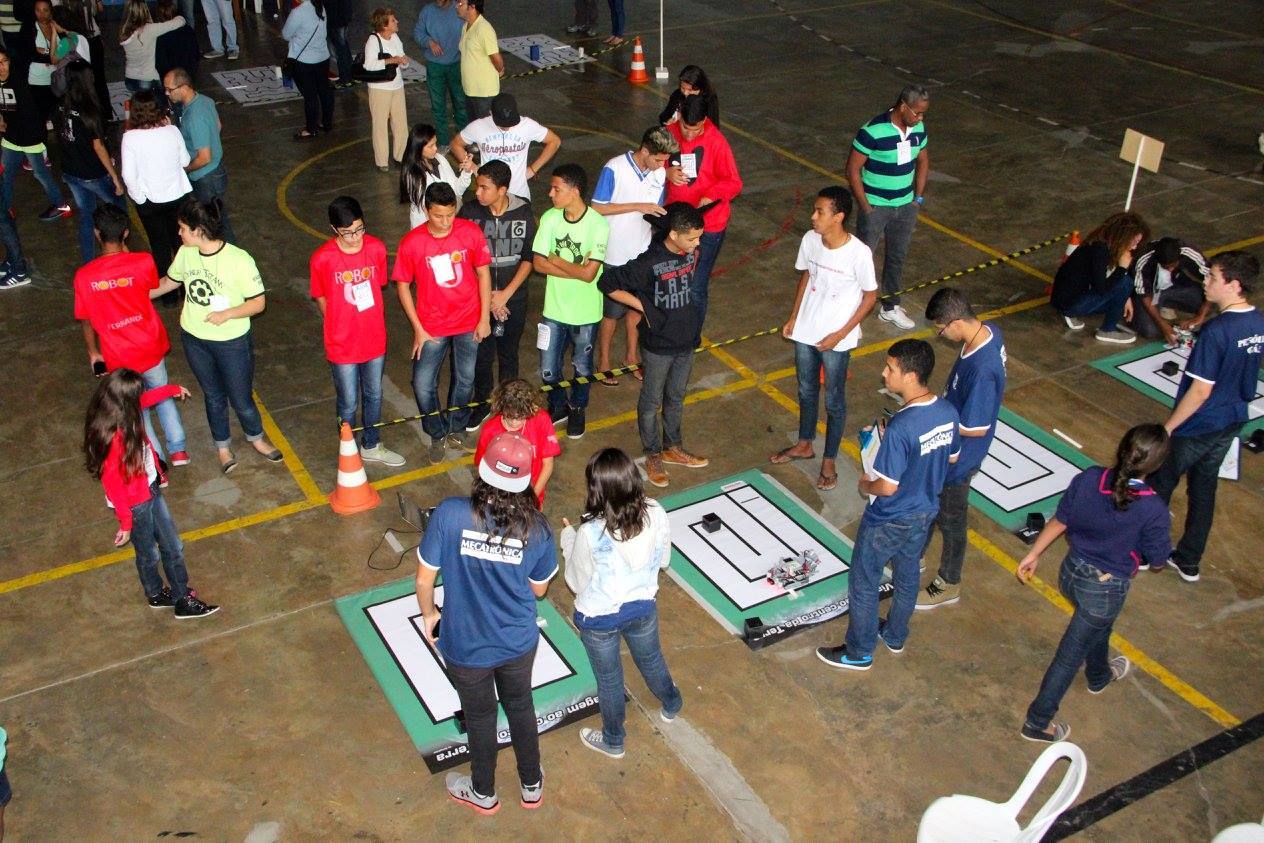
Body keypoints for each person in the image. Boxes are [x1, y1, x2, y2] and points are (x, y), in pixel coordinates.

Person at [414, 431, 556, 815]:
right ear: (526, 479)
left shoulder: (449, 513)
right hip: (517, 641)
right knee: (520, 706)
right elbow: (539, 590)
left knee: (480, 718)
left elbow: (425, 580)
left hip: (465, 645)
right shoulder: (538, 528)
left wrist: (430, 615)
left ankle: (483, 792)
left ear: (482, 470)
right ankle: (531, 784)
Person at [1017, 424, 1172, 742]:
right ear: (1157, 465)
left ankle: (1099, 675)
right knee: (1069, 656)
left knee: (1097, 624)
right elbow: (1158, 561)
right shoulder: (1153, 508)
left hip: (1071, 573)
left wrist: (1034, 553)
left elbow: (1060, 520)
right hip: (1105, 588)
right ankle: (1037, 722)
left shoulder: (1090, 478)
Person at [817, 339, 959, 671]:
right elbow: (950, 458)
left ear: (910, 375)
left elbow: (887, 486)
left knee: (864, 581)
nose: (884, 373)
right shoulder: (947, 412)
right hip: (925, 512)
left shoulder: (902, 427)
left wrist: (865, 484)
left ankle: (859, 652)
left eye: (890, 368)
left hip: (889, 518)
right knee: (907, 573)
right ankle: (895, 634)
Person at [1147, 252, 1264, 582]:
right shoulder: (1258, 323)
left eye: (1212, 277)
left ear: (1233, 285)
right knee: (1203, 489)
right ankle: (1189, 560)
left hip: (1199, 424)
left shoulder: (1217, 331)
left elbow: (1200, 391)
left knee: (1160, 483)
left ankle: (1147, 551)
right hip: (1232, 419)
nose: (1205, 282)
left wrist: (1168, 428)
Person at [563, 447, 683, 759]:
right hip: (642, 607)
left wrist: (568, 541)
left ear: (597, 490)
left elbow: (576, 582)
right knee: (651, 659)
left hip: (599, 620)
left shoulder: (590, 532)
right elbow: (664, 560)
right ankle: (672, 702)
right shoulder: (656, 511)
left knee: (610, 680)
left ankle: (614, 741)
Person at [150, 198, 284, 473]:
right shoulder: (186, 253)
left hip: (231, 343)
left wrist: (227, 314)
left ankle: (256, 438)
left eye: (182, 228)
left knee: (241, 397)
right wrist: (134, 295)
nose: (179, 233)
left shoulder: (239, 259)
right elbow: (170, 282)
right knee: (213, 396)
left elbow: (258, 303)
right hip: (195, 339)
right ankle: (223, 447)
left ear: (198, 229)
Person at [83, 368, 220, 618]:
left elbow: (146, 400)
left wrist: (171, 390)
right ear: (125, 401)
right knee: (160, 550)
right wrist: (126, 523)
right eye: (137, 394)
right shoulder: (113, 437)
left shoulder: (122, 410)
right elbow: (113, 485)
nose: (141, 397)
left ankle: (158, 593)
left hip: (149, 489)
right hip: (136, 503)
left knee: (160, 548)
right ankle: (180, 600)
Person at [768, 186, 877, 492]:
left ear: (838, 217)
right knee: (806, 390)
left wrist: (840, 334)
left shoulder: (858, 254)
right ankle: (805, 444)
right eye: (814, 210)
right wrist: (794, 317)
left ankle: (829, 460)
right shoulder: (810, 240)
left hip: (836, 341)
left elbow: (870, 296)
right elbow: (807, 275)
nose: (813, 216)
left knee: (834, 401)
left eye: (820, 211)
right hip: (806, 332)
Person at [600, 202, 709, 487]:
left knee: (676, 397)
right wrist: (642, 306)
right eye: (692, 238)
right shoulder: (648, 262)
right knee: (651, 402)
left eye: (699, 237)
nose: (697, 244)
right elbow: (607, 282)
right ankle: (653, 453)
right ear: (673, 234)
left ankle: (673, 447)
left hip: (686, 340)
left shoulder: (689, 253)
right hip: (659, 345)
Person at [75, 204, 188, 466]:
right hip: (150, 346)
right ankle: (179, 450)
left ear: (96, 233)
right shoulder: (143, 261)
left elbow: (85, 320)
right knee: (162, 393)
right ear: (126, 233)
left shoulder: (84, 277)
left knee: (136, 410)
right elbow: (146, 288)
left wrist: (94, 353)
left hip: (118, 355)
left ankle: (156, 462)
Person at [916, 287, 1006, 609]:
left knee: (951, 518)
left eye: (940, 329)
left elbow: (977, 427)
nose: (941, 335)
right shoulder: (987, 330)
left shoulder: (982, 370)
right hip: (949, 449)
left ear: (954, 322)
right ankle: (915, 555)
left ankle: (949, 581)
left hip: (960, 458)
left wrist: (935, 419)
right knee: (930, 501)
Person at [392, 181, 492, 463]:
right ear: (426, 211)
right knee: (422, 384)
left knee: (465, 380)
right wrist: (418, 329)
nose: (446, 222)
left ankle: (457, 429)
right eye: (439, 216)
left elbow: (483, 273)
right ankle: (436, 432)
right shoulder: (413, 243)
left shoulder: (470, 232)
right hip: (431, 327)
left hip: (468, 321)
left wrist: (484, 317)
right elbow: (402, 286)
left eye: (450, 214)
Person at [311, 196, 405, 467]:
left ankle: (371, 444)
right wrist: (337, 323)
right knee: (349, 401)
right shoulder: (322, 258)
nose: (355, 237)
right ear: (334, 229)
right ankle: (348, 448)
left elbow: (379, 285)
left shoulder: (375, 248)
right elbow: (320, 296)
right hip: (342, 343)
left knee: (374, 394)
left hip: (373, 337)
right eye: (347, 232)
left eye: (360, 229)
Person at [591, 125, 677, 387]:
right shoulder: (614, 168)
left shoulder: (659, 173)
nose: (662, 166)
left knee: (637, 311)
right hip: (615, 254)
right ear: (645, 150)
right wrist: (637, 206)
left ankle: (630, 357)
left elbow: (655, 210)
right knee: (611, 314)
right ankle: (603, 361)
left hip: (642, 253)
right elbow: (597, 207)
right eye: (659, 159)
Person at [533, 163, 609, 441]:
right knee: (548, 368)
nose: (550, 194)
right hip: (553, 310)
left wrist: (556, 259)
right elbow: (538, 264)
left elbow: (589, 276)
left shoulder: (598, 225)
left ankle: (577, 408)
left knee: (582, 367)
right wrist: (575, 269)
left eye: (556, 189)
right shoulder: (549, 218)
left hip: (586, 313)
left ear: (574, 191)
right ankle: (558, 406)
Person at [459, 159, 535, 427]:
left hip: (514, 299)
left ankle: (508, 406)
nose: (477, 192)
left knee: (509, 353)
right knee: (482, 355)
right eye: (477, 186)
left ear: (502, 190)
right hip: (480, 301)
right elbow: (463, 258)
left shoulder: (523, 212)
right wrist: (490, 297)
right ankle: (482, 403)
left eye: (484, 188)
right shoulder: (469, 213)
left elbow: (529, 258)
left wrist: (505, 295)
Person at [847, 84, 930, 332]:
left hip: (905, 206)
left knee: (897, 257)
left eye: (923, 113)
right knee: (862, 260)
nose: (920, 118)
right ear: (903, 106)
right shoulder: (872, 131)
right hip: (876, 207)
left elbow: (923, 160)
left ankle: (890, 307)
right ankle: (852, 313)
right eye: (916, 112)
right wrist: (866, 206)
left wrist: (917, 198)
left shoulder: (918, 129)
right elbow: (853, 170)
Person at [664, 94, 741, 324]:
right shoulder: (669, 133)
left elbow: (734, 182)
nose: (689, 135)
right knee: (671, 281)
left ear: (704, 121)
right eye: (685, 128)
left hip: (709, 226)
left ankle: (692, 333)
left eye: (695, 130)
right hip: (676, 222)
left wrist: (712, 195)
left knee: (695, 285)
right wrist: (665, 172)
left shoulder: (717, 141)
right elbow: (651, 162)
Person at [55, 60, 124, 262]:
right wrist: (114, 177)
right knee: (118, 212)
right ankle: (121, 256)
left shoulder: (60, 105)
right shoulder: (90, 110)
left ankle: (88, 262)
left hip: (71, 171)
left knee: (86, 216)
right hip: (93, 173)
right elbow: (98, 147)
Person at [120, 90, 190, 279]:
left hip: (150, 202)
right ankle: (186, 285)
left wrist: (140, 199)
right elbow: (185, 161)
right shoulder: (172, 131)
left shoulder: (130, 138)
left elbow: (128, 175)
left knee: (159, 246)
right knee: (181, 243)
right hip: (178, 197)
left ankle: (168, 290)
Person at [1050, 212, 1149, 344]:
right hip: (1069, 303)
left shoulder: (1097, 242)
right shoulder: (1100, 251)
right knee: (1125, 283)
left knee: (1120, 297)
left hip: (1063, 297)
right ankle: (1107, 330)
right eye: (1134, 242)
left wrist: (1125, 297)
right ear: (1122, 237)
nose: (1135, 246)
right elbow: (1101, 289)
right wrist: (1122, 269)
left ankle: (1070, 313)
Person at [164, 68, 236, 245]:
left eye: (170, 89)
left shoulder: (194, 117)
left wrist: (186, 169)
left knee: (214, 224)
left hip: (205, 177)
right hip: (216, 171)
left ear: (184, 87)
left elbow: (204, 158)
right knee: (217, 217)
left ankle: (227, 250)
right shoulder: (205, 100)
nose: (167, 93)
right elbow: (218, 126)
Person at [0, 45, 71, 221]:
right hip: (11, 138)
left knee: (41, 174)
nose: (1, 67)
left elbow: (30, 114)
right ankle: (5, 207)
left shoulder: (19, 83)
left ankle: (61, 205)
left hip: (30, 138)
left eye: (4, 61)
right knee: (6, 174)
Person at [452, 92, 561, 201]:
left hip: (519, 195)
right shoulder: (478, 126)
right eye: (502, 123)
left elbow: (554, 141)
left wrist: (533, 169)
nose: (507, 127)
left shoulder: (528, 125)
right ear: (491, 113)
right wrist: (474, 168)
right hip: (489, 196)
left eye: (511, 122)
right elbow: (455, 144)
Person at [474, 379, 559, 505]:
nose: (514, 422)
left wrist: (533, 499)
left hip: (531, 491)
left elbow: (548, 464)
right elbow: (482, 467)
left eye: (520, 417)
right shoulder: (490, 430)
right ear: (501, 407)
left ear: (531, 408)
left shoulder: (541, 420)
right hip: (499, 495)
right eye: (509, 416)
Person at [1129, 237, 1211, 343]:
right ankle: (1139, 313)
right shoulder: (1143, 259)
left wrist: (1200, 316)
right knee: (1151, 331)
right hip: (1151, 293)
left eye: (1173, 265)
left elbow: (1211, 278)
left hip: (1176, 287)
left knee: (1209, 304)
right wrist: (1163, 324)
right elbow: (1144, 295)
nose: (1170, 269)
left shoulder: (1188, 252)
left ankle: (1166, 304)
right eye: (1165, 267)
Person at [361, 8, 409, 172]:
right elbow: (369, 65)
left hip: (397, 86)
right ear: (384, 25)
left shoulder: (395, 37)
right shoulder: (373, 40)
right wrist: (390, 61)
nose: (397, 22)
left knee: (401, 124)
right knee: (380, 125)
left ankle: (400, 156)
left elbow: (402, 58)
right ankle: (382, 160)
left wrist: (403, 61)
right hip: (379, 89)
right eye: (393, 20)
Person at [414, 0, 465, 148]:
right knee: (438, 106)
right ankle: (442, 142)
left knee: (461, 103)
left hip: (457, 64)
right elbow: (418, 32)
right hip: (435, 66)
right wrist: (429, 42)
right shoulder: (427, 11)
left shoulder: (459, 8)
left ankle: (464, 138)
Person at [399, 122, 470, 228]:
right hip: (425, 225)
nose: (436, 148)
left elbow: (457, 190)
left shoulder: (440, 159)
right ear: (418, 148)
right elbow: (429, 208)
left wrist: (466, 172)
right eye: (430, 146)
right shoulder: (412, 174)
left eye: (435, 143)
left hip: (446, 221)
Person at [282, 0, 333, 140]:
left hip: (304, 61)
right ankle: (327, 123)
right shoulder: (320, 7)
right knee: (324, 91)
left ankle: (311, 129)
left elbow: (286, 34)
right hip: (322, 57)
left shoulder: (298, 12)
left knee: (310, 96)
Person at [118, 0, 184, 106]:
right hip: (147, 79)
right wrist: (178, 15)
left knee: (139, 110)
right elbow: (180, 22)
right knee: (159, 110)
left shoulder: (124, 30)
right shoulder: (150, 29)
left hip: (130, 78)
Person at [455, 0, 500, 120]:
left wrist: (500, 69)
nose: (457, 6)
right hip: (470, 90)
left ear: (472, 7)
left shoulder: (484, 29)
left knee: (485, 128)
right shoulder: (466, 26)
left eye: (461, 4)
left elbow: (496, 58)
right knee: (473, 127)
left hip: (484, 93)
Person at [153, 0, 198, 84]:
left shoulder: (159, 36)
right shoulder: (188, 30)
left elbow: (160, 63)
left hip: (170, 77)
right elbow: (195, 55)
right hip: (188, 75)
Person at [325, 0, 352, 88]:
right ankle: (349, 75)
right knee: (343, 47)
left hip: (334, 19)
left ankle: (344, 78)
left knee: (339, 50)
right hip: (342, 18)